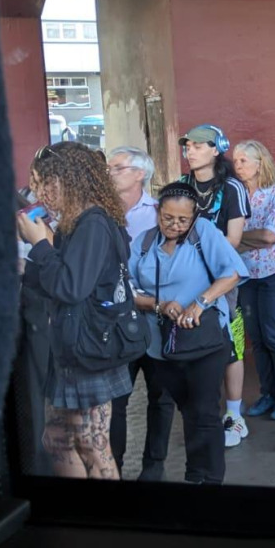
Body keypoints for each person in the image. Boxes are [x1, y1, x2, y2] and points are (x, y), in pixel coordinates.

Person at [17, 142, 135, 479]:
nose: (39, 191)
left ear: (66, 180)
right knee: (57, 438)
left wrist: (40, 243)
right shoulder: (75, 221)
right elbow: (59, 278)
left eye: (44, 182)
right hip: (72, 344)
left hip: (89, 346)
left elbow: (71, 287)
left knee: (92, 444)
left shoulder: (93, 223)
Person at [128, 183, 248, 484]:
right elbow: (127, 290)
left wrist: (199, 304)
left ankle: (208, 480)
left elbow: (232, 273)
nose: (175, 225)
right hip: (162, 346)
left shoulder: (203, 233)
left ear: (194, 217)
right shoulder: (144, 242)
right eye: (168, 218)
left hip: (204, 341)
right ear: (158, 212)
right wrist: (157, 304)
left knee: (204, 412)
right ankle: (195, 476)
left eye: (183, 219)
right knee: (188, 411)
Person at [179, 124, 251, 447]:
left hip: (222, 277)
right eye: (188, 146)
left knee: (230, 345)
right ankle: (202, 413)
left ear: (216, 149)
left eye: (198, 145)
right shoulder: (181, 186)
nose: (190, 151)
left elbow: (233, 240)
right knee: (189, 340)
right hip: (184, 277)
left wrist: (196, 244)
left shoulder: (232, 188)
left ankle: (234, 416)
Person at [105, 146, 174, 481]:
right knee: (116, 398)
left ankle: (153, 466)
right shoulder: (99, 213)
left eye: (117, 167)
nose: (109, 172)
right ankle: (113, 466)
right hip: (116, 321)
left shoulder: (161, 213)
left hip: (156, 320)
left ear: (139, 174)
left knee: (161, 398)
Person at [232, 140, 275, 422]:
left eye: (243, 161)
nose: (237, 166)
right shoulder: (235, 195)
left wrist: (238, 240)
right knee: (257, 338)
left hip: (274, 275)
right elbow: (228, 235)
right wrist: (249, 240)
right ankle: (269, 393)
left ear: (260, 163)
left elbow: (270, 236)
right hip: (245, 275)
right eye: (235, 161)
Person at [107, 146, 159, 243]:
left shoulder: (157, 212)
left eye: (119, 168)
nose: (111, 173)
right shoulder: (100, 208)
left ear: (139, 174)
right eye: (108, 169)